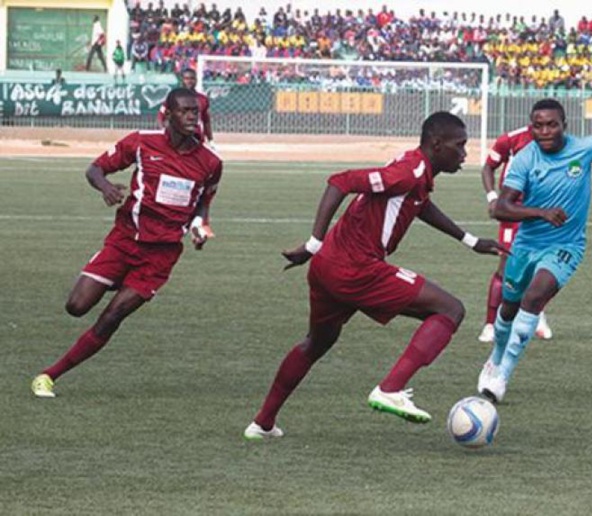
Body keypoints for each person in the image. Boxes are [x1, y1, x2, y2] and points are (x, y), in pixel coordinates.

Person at [243, 112, 505, 440]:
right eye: (460, 145)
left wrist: (470, 241)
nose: (465, 154)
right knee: (450, 309)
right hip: (356, 268)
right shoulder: (408, 172)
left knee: (316, 343)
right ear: (437, 145)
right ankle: (390, 388)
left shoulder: (417, 171)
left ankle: (262, 423)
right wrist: (312, 242)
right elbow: (341, 181)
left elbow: (420, 204)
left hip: (327, 268)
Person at [31, 88, 222, 398]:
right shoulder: (142, 142)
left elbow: (203, 202)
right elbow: (94, 169)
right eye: (185, 111)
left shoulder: (210, 162)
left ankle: (50, 375)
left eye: (195, 111)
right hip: (124, 241)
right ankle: (116, 279)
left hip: (160, 256)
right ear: (168, 113)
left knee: (113, 315)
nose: (192, 116)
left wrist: (200, 225)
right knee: (76, 306)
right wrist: (105, 187)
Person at [477, 98, 592, 403]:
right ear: (531, 127)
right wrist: (540, 212)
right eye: (538, 125)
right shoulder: (524, 158)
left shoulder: (586, 148)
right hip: (526, 244)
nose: (545, 131)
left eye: (552, 125)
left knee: (535, 296)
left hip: (566, 245)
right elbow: (501, 209)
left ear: (564, 125)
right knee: (508, 307)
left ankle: (503, 376)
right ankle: (495, 359)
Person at [479, 126, 553, 344]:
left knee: (541, 268)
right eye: (539, 123)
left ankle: (537, 317)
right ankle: (491, 324)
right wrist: (493, 197)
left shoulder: (557, 143)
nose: (545, 128)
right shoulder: (511, 140)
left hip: (541, 211)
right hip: (512, 211)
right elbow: (488, 167)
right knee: (505, 268)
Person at [157, 68, 213, 145]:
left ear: (196, 80)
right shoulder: (174, 97)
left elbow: (206, 121)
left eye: (192, 78)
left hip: (197, 138)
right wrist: (163, 130)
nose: (189, 81)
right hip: (177, 138)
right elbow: (161, 115)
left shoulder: (203, 99)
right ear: (182, 80)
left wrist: (210, 140)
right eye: (186, 79)